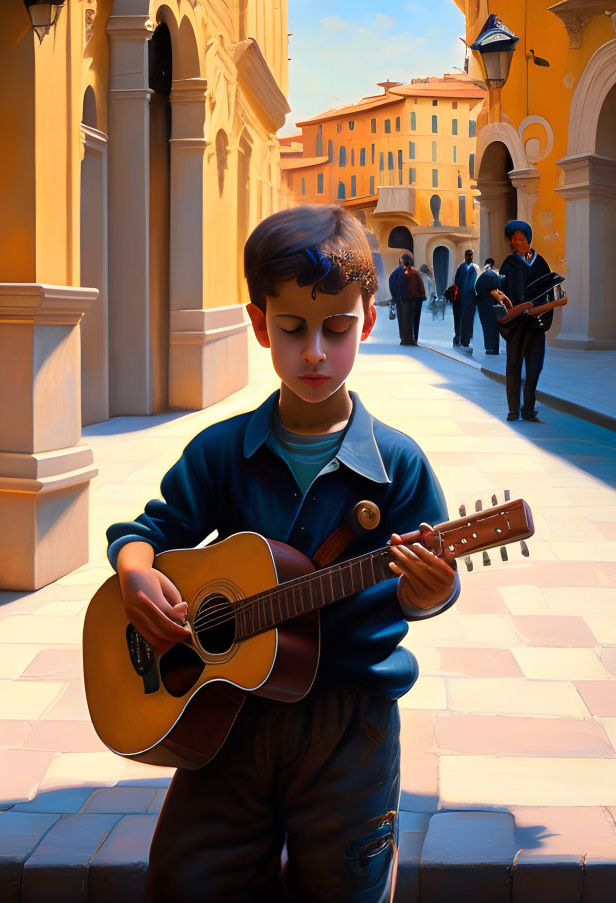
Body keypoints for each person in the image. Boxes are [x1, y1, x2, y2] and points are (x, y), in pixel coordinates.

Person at [107, 204, 459, 902]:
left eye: (335, 329)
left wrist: (426, 590)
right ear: (260, 322)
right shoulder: (221, 452)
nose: (314, 354)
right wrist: (135, 572)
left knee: (343, 886)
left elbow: (432, 587)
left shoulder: (397, 464)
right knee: (190, 879)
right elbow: (151, 527)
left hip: (347, 724)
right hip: (226, 717)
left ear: (366, 319)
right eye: (292, 330)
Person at [490, 220, 553, 422]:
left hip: (535, 324)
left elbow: (549, 292)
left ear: (528, 239)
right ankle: (513, 410)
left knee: (535, 366)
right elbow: (501, 289)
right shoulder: (509, 263)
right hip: (516, 324)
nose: (517, 242)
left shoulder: (541, 263)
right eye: (514, 239)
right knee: (514, 365)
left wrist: (544, 314)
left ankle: (529, 407)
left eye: (521, 239)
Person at [389, 253, 425, 345]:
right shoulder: (414, 273)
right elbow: (420, 287)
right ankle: (410, 338)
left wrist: (396, 297)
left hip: (405, 299)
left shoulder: (398, 272)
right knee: (411, 319)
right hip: (412, 299)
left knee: (404, 319)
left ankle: (405, 338)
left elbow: (392, 283)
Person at [472, 257, 502, 356]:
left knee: (486, 327)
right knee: (494, 328)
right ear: (493, 266)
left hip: (483, 305)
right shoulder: (496, 277)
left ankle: (489, 347)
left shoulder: (482, 276)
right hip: (493, 305)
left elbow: (477, 289)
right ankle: (494, 348)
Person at [452, 249, 479, 349]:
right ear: (465, 256)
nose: (469, 257)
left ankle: (465, 340)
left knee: (468, 319)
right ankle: (458, 336)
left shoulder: (474, 268)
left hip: (471, 299)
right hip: (461, 298)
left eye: (470, 255)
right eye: (467, 255)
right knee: (460, 318)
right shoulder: (461, 268)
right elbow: (456, 282)